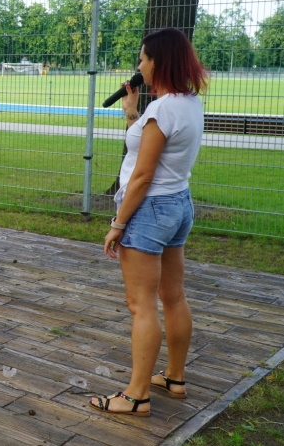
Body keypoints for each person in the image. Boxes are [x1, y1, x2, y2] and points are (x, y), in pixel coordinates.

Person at [88, 27, 208, 417]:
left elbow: (141, 176)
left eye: (142, 59)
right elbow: (148, 148)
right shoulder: (189, 103)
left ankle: (136, 396)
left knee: (141, 305)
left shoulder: (162, 110)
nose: (139, 66)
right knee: (173, 297)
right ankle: (174, 377)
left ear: (158, 61)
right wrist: (131, 112)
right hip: (178, 205)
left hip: (150, 210)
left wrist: (118, 223)